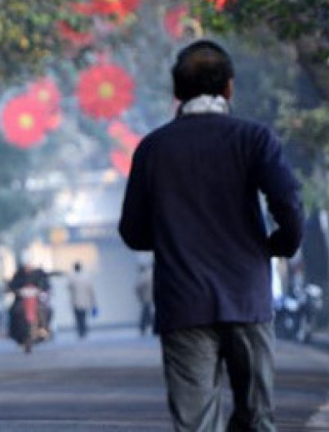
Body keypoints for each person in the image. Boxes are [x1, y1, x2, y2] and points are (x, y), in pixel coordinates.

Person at [119, 40, 304, 432]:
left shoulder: (153, 149)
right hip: (246, 298)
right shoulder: (254, 139)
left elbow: (132, 231)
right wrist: (279, 245)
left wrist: (174, 237)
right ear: (229, 88)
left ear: (176, 92)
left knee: (196, 424)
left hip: (184, 304)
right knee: (257, 419)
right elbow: (287, 201)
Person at [66, 262, 96, 339]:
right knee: (83, 316)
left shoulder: (72, 278)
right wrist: (93, 302)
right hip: (85, 301)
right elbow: (90, 290)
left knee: (78, 318)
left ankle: (80, 331)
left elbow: (69, 288)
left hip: (75, 301)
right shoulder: (86, 277)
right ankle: (83, 330)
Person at [135, 264, 154, 336]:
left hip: (147, 298)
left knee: (147, 313)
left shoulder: (145, 276)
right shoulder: (149, 275)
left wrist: (140, 297)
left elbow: (137, 288)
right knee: (147, 313)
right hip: (149, 298)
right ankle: (144, 328)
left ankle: (143, 328)